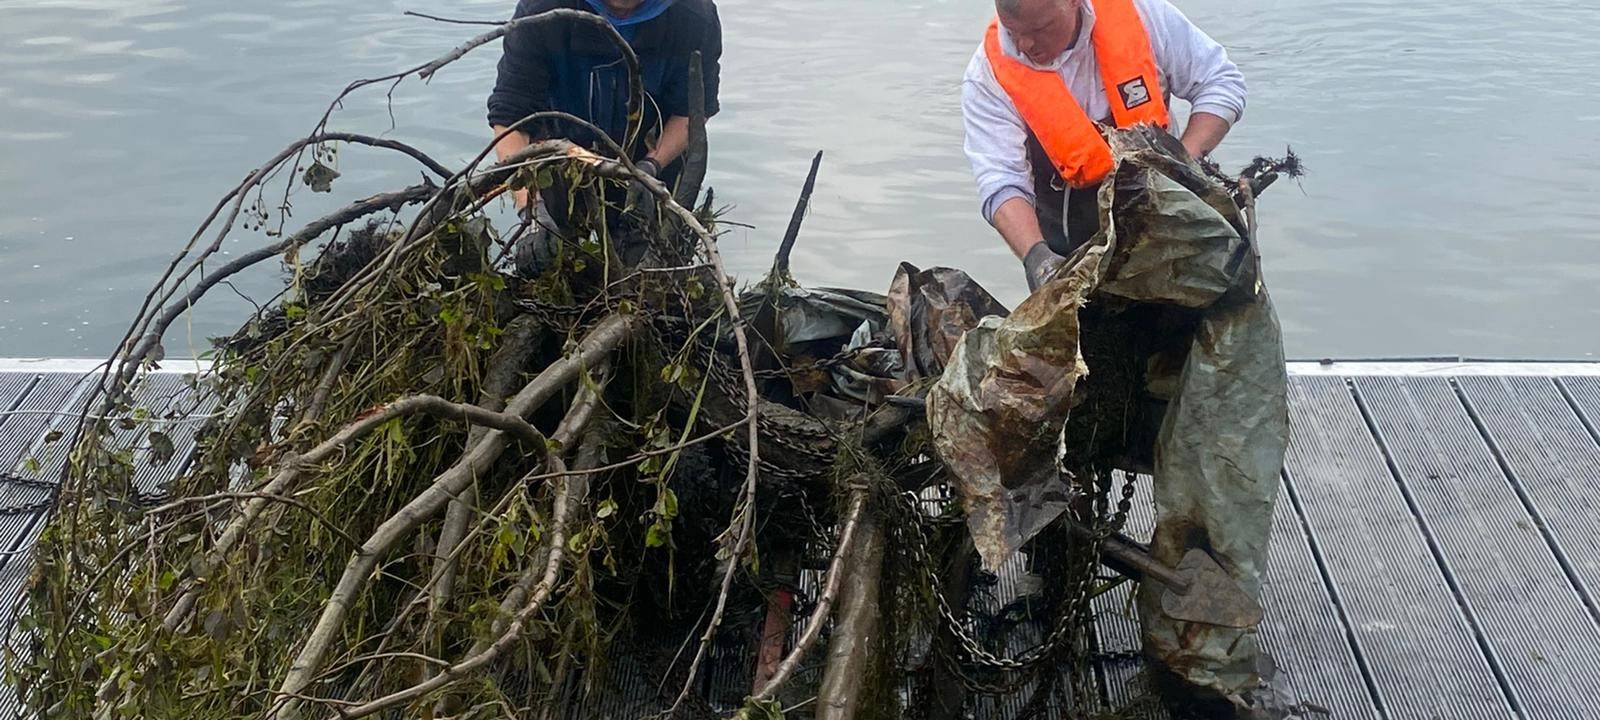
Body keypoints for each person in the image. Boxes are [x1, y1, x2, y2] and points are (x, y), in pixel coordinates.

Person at [961, 0, 1246, 291]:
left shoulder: (1143, 15)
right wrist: (1037, 258)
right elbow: (1001, 180)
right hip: (1069, 256)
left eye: (1041, 28)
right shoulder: (987, 74)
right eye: (1013, 32)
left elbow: (1220, 82)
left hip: (1172, 226)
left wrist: (1185, 162)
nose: (1025, 45)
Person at [488, 0, 722, 275]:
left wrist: (651, 166)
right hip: (559, 162)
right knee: (546, 264)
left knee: (653, 274)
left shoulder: (692, 14)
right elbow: (510, 117)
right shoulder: (542, 10)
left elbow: (692, 111)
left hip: (652, 167)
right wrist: (531, 208)